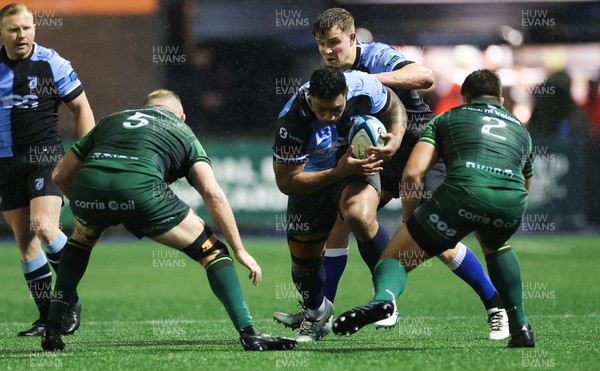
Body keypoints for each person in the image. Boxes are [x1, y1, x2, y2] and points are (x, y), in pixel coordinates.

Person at [274, 7, 509, 340]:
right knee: (345, 219)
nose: (327, 51)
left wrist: (366, 81)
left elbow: (424, 76)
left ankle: (496, 306)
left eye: (334, 42)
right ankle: (324, 311)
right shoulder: (327, 86)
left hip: (418, 150)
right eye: (321, 45)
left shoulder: (376, 57)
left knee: (433, 237)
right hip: (378, 159)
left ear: (353, 38)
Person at [40, 89, 296, 352]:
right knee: (213, 251)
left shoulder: (112, 119)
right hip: (141, 190)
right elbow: (212, 193)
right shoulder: (182, 131)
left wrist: (91, 209)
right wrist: (240, 250)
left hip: (88, 186)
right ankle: (249, 333)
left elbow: (60, 174)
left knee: (81, 240)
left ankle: (51, 329)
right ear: (181, 116)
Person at [332, 69, 536, 348]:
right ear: (500, 99)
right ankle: (521, 326)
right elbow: (526, 183)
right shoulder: (520, 130)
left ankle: (384, 301)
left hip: (463, 193)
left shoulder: (448, 118)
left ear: (464, 98)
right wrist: (504, 212)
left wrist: (410, 221)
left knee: (396, 258)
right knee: (497, 245)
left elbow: (413, 174)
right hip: (511, 202)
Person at [272, 66, 406, 342]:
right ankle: (317, 313)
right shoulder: (291, 121)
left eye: (335, 109)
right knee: (303, 267)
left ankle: (385, 300)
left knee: (359, 215)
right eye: (322, 110)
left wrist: (396, 137)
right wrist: (337, 173)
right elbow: (286, 183)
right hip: (312, 177)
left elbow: (394, 104)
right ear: (309, 97)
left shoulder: (363, 86)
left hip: (356, 170)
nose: (329, 117)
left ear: (346, 92)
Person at [0, 3, 95, 337]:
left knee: (43, 225)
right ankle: (46, 317)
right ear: (2, 32)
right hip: (6, 164)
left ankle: (68, 300)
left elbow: (81, 106)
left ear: (34, 29)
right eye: (14, 29)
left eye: (27, 28)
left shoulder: (51, 62)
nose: (21, 35)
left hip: (45, 158)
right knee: (25, 242)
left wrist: (85, 157)